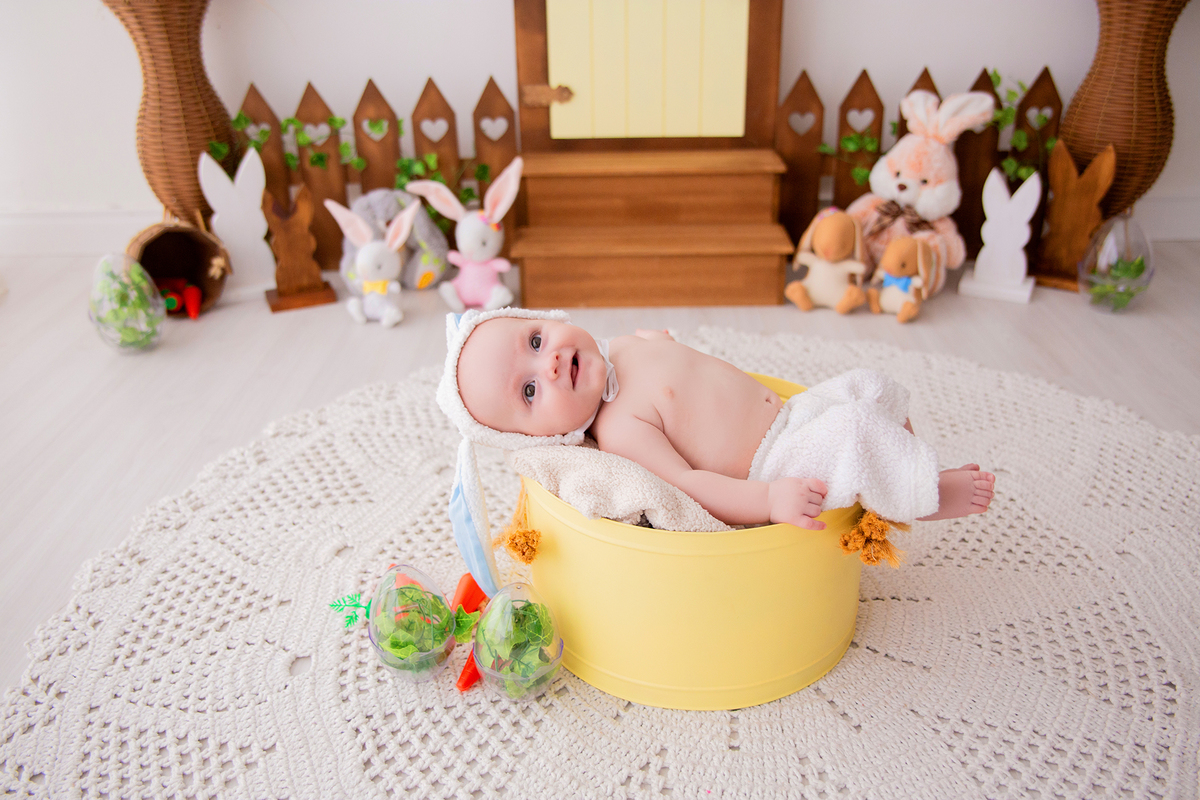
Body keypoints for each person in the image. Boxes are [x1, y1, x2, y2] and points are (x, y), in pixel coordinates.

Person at [436, 308, 993, 591]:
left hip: (792, 413)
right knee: (851, 432)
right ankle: (927, 492)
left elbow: (678, 363)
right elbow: (689, 487)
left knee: (868, 386)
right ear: (544, 439)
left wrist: (660, 346)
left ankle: (900, 467)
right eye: (530, 390)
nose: (549, 361)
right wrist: (769, 500)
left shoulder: (625, 346)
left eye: (535, 340)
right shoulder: (621, 429)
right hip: (774, 463)